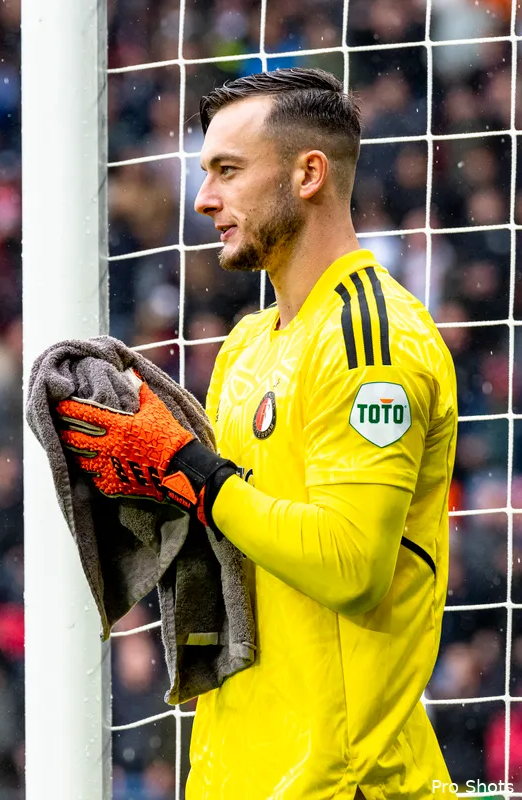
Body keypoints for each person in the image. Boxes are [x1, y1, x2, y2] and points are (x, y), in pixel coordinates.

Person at [54, 68, 458, 798]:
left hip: (341, 781)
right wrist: (138, 475)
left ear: (309, 174)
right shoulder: (248, 344)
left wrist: (189, 472)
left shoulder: (372, 341)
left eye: (229, 171)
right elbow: (234, 529)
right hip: (238, 770)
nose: (205, 198)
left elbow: (351, 569)